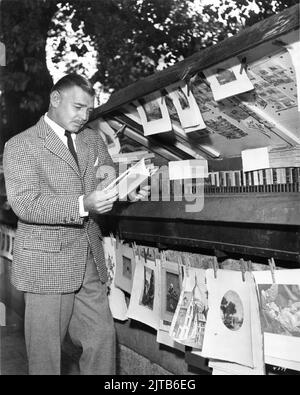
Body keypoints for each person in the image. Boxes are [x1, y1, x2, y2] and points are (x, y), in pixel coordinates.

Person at [3, 73, 147, 375]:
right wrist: (83, 204)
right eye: (78, 107)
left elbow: (105, 173)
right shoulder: (21, 145)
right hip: (46, 264)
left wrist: (127, 187)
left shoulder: (91, 139)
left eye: (88, 111)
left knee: (102, 340)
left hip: (87, 259)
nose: (84, 116)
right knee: (47, 356)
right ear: (55, 100)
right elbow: (25, 203)